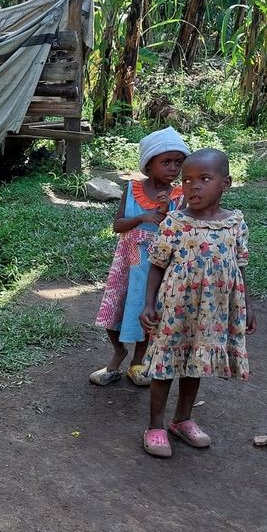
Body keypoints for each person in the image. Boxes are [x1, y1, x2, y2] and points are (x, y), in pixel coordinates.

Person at [139, 149, 255, 458]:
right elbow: (156, 265)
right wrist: (148, 304)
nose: (194, 187)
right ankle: (155, 425)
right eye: (187, 180)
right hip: (175, 310)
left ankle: (183, 419)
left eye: (204, 179)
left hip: (212, 312)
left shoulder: (235, 224)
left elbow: (240, 267)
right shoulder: (175, 222)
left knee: (195, 364)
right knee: (165, 366)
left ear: (226, 183)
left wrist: (248, 306)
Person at [90, 127, 189, 388]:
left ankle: (139, 361)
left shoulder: (179, 197)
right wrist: (143, 217)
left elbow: (181, 229)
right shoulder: (132, 189)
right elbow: (118, 225)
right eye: (165, 162)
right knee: (117, 307)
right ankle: (118, 352)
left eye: (178, 162)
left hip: (159, 267)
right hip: (129, 262)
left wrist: (166, 210)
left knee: (148, 311)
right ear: (149, 164)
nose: (173, 168)